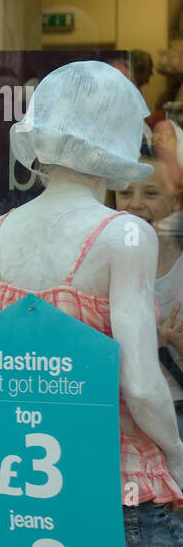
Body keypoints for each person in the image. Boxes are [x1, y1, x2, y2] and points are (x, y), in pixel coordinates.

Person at [0, 61, 183, 547]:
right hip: (126, 492)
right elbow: (140, 382)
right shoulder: (124, 236)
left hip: (34, 491)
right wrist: (180, 456)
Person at [116, 155, 183, 437]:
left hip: (175, 414)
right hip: (123, 417)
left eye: (151, 193)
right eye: (125, 193)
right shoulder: (108, 264)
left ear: (177, 202)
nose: (135, 203)